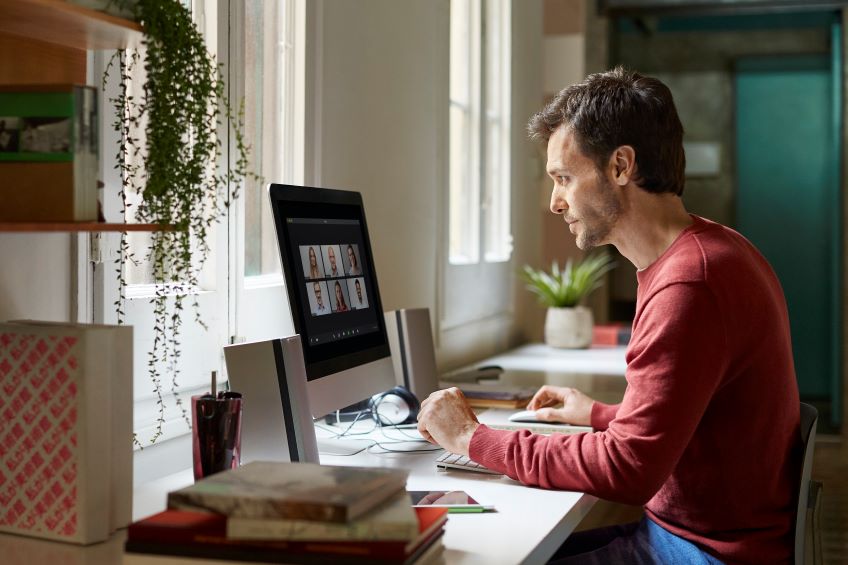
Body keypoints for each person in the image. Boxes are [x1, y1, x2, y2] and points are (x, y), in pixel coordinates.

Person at [416, 68, 801, 565]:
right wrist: (599, 415)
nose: (555, 202)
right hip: (698, 537)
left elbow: (630, 468)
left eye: (564, 178)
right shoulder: (709, 252)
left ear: (621, 166)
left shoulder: (691, 283)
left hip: (704, 553)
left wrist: (473, 439)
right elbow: (693, 418)